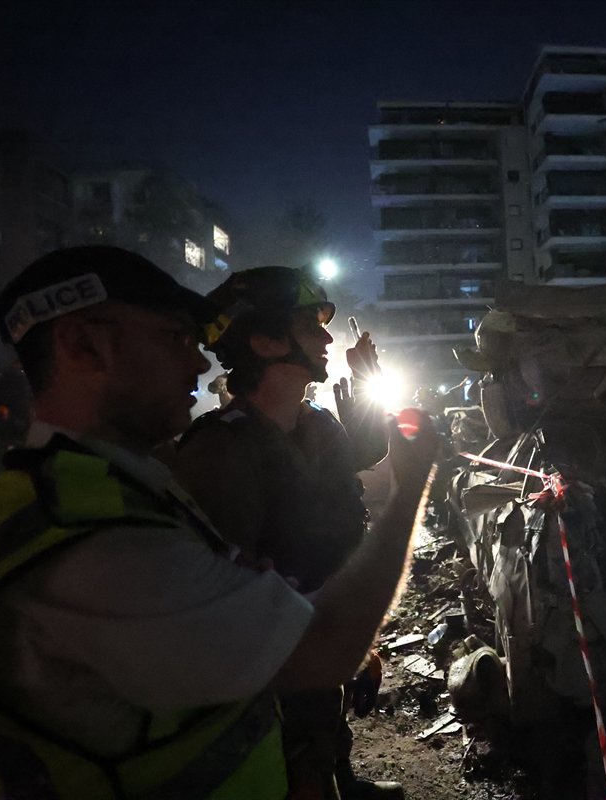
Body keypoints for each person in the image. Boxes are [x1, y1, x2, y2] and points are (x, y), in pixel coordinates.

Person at [0, 246, 438, 800]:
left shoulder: (124, 487)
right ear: (82, 344)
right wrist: (412, 485)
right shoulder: (98, 540)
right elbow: (318, 647)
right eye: (174, 339)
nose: (201, 365)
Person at [171, 266, 395, 800]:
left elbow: (361, 456)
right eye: (307, 325)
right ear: (265, 341)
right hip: (274, 661)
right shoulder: (221, 449)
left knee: (326, 733)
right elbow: (228, 590)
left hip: (321, 628)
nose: (325, 338)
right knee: (296, 763)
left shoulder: (317, 422)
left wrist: (367, 384)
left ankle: (340, 775)